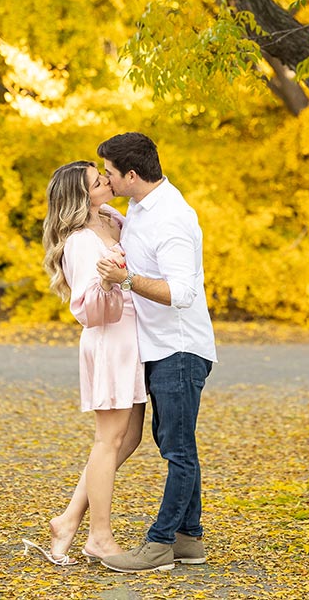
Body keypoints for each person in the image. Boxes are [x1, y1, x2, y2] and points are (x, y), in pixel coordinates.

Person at [95, 132, 217, 574]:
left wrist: (126, 280)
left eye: (109, 174)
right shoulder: (140, 206)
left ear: (131, 174)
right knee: (176, 443)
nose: (106, 181)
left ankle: (160, 543)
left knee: (178, 451)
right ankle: (190, 540)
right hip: (158, 348)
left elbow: (183, 292)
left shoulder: (172, 218)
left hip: (180, 349)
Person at [22, 160, 146, 567]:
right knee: (108, 440)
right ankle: (99, 536)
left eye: (103, 176)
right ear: (82, 196)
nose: (107, 181)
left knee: (127, 439)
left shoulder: (112, 218)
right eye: (98, 181)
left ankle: (68, 520)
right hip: (110, 340)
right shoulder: (79, 241)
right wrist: (110, 281)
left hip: (134, 339)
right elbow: (87, 310)